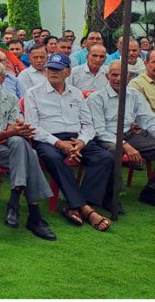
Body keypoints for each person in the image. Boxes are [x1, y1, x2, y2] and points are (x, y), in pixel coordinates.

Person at [23, 53, 114, 231]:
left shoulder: (76, 94)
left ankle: (77, 205)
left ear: (68, 72)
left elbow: (88, 125)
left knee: (104, 157)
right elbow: (33, 127)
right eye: (50, 69)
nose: (52, 72)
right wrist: (58, 143)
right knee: (52, 157)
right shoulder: (33, 93)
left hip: (75, 137)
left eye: (58, 69)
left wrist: (81, 142)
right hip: (48, 139)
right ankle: (87, 209)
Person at [0, 62, 55, 240]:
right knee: (31, 154)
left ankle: (15, 203)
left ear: (3, 79)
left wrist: (15, 132)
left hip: (8, 146)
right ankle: (33, 214)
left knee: (20, 143)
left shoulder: (11, 99)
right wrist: (13, 132)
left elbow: (13, 128)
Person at [88, 61, 155, 185]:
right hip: (105, 139)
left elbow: (148, 119)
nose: (118, 79)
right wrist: (124, 145)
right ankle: (113, 193)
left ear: (129, 77)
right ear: (107, 76)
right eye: (114, 75)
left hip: (129, 135)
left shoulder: (134, 95)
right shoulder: (97, 98)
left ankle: (150, 192)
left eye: (123, 75)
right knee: (114, 150)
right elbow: (99, 131)